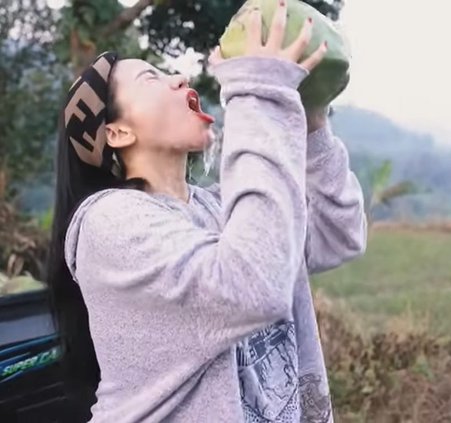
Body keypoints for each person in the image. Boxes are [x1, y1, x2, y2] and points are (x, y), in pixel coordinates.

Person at [47, 2, 366, 422]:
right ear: (118, 132)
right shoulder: (107, 223)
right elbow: (253, 287)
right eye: (152, 77)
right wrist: (260, 89)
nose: (179, 78)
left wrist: (312, 121)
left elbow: (337, 234)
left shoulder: (219, 208)